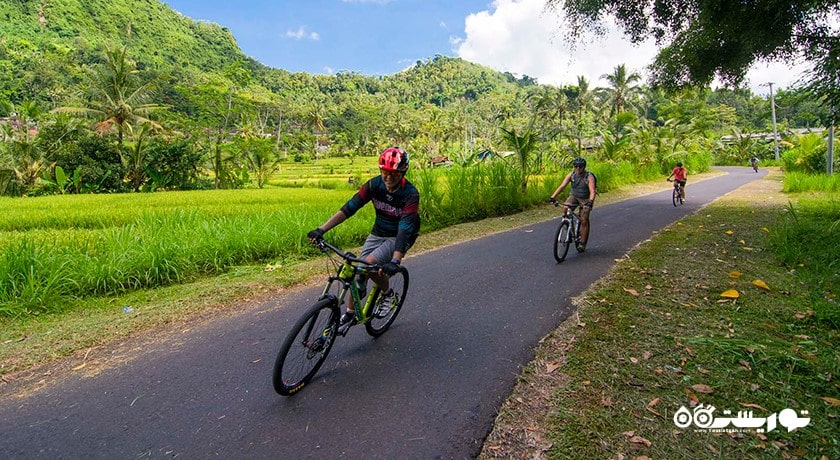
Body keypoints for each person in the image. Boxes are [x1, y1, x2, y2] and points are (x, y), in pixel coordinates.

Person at [307, 147, 420, 326]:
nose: (389, 177)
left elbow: (405, 228)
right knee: (358, 270)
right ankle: (351, 313)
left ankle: (388, 294)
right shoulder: (374, 185)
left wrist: (395, 261)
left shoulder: (410, 194)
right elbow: (349, 208)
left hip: (400, 236)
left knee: (369, 263)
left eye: (394, 173)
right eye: (385, 172)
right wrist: (321, 230)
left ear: (403, 171)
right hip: (379, 232)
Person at [549, 157, 596, 253]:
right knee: (566, 207)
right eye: (576, 166)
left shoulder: (589, 176)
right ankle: (566, 223)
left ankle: (582, 243)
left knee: (583, 220)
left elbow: (592, 191)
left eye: (580, 167)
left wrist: (590, 202)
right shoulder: (572, 175)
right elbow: (562, 186)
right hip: (574, 196)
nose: (578, 168)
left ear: (584, 167)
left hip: (585, 199)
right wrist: (553, 197)